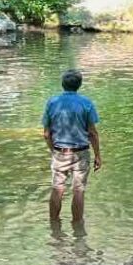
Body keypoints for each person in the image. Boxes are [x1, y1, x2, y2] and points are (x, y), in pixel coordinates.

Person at [42, 69, 101, 224]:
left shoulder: (52, 102)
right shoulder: (86, 103)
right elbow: (93, 133)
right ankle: (78, 228)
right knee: (78, 190)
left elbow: (46, 134)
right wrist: (98, 156)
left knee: (57, 189)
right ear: (79, 85)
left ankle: (54, 226)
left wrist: (54, 150)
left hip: (60, 152)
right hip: (80, 153)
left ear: (63, 84)